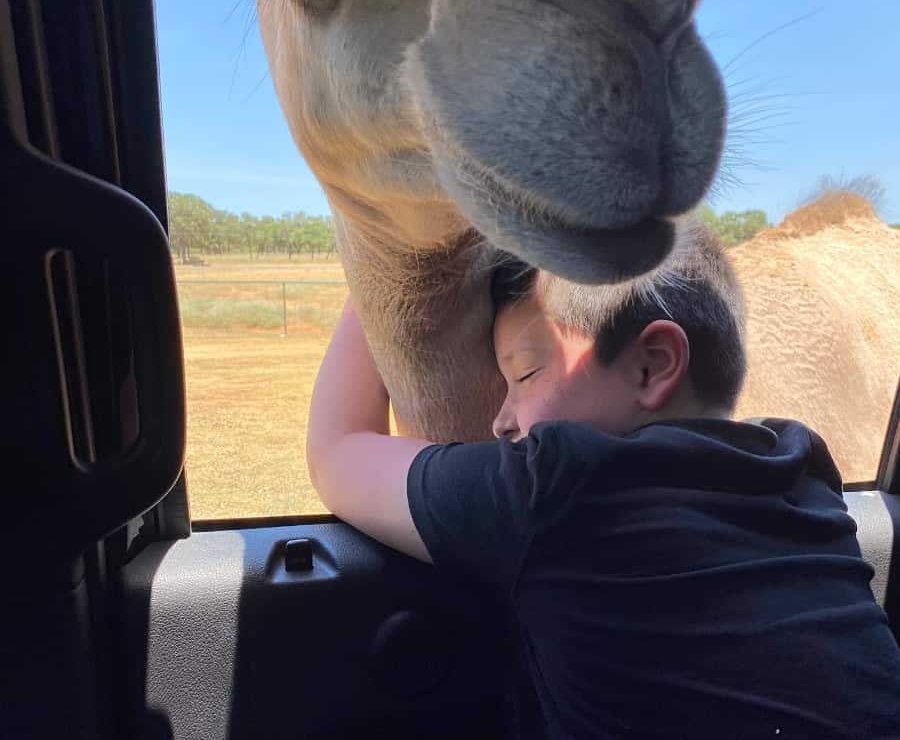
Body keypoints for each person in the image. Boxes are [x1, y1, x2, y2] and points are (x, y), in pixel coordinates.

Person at [307, 222, 900, 740]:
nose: (501, 418)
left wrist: (382, 251)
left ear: (652, 364)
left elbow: (338, 451)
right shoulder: (803, 470)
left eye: (526, 373)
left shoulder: (560, 485)